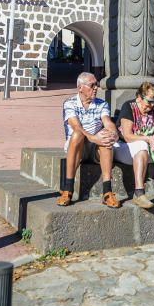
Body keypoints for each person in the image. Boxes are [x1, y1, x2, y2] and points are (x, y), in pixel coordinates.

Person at [58, 72, 120, 208]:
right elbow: (75, 125)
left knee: (106, 139)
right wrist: (93, 138)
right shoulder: (70, 103)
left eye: (96, 84)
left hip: (95, 149)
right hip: (77, 146)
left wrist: (113, 134)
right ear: (80, 87)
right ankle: (68, 189)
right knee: (77, 134)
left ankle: (107, 191)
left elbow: (108, 122)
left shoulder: (101, 104)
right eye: (92, 85)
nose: (96, 88)